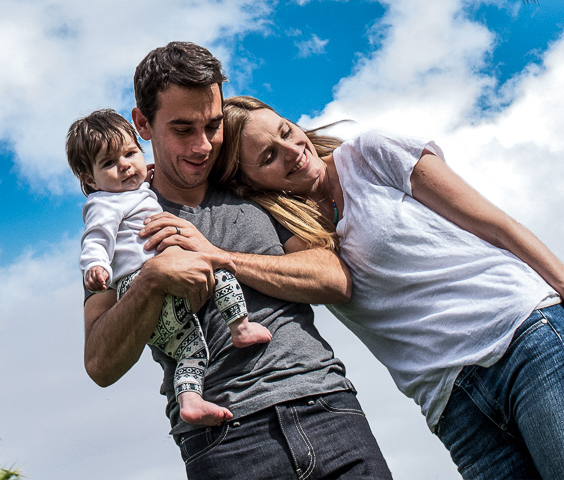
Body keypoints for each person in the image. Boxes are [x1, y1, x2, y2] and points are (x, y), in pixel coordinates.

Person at [201, 95, 564, 480]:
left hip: (525, 344)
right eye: (268, 157)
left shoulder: (370, 154)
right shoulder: (287, 231)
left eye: (285, 130)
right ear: (247, 183)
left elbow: (501, 228)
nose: (291, 150)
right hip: (455, 408)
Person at [81, 43, 392, 480]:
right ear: (142, 124)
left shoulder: (254, 184)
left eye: (212, 125)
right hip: (223, 441)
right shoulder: (116, 226)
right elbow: (100, 363)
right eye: (183, 129)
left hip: (328, 408)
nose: (203, 145)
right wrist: (152, 277)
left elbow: (332, 278)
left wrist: (218, 256)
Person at [66, 108, 271, 426]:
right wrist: (95, 265)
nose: (124, 166)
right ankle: (240, 326)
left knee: (192, 351)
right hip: (140, 281)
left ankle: (190, 400)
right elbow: (96, 237)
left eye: (130, 153)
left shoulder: (135, 193)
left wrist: (145, 178)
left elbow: (141, 191)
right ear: (90, 179)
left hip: (163, 317)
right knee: (219, 271)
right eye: (109, 163)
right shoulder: (104, 204)